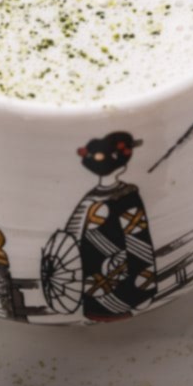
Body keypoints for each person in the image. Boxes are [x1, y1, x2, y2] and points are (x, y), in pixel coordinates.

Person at [65, 131, 158, 321]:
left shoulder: (88, 201)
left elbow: (70, 238)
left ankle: (97, 309)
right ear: (122, 166)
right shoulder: (128, 196)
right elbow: (139, 241)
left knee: (97, 281)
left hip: (94, 265)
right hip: (119, 265)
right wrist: (144, 286)